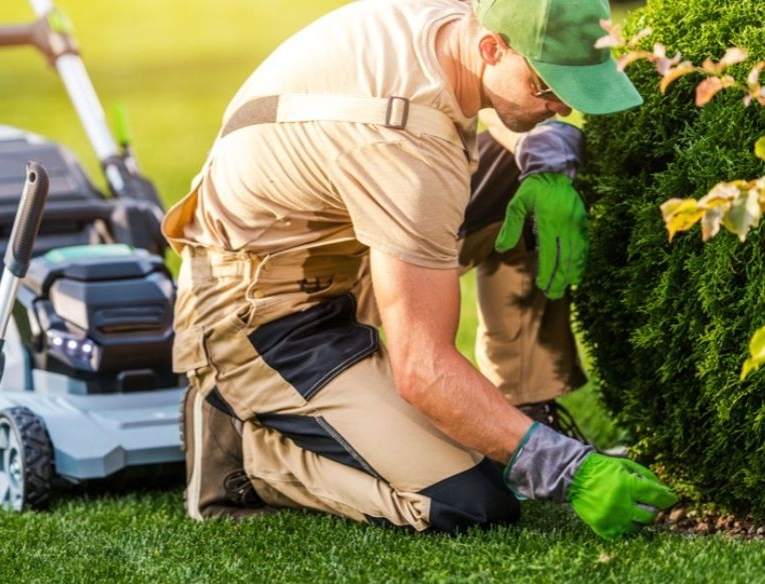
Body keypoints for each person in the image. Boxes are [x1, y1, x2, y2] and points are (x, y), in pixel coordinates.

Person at [163, 0, 676, 538]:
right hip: (263, 316)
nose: (562, 107)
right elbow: (424, 369)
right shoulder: (405, 149)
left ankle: (526, 406)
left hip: (345, 247)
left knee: (532, 188)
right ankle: (250, 456)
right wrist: (564, 470)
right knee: (471, 500)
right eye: (549, 88)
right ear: (491, 47)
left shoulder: (455, 18)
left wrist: (548, 160)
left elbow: (512, 109)